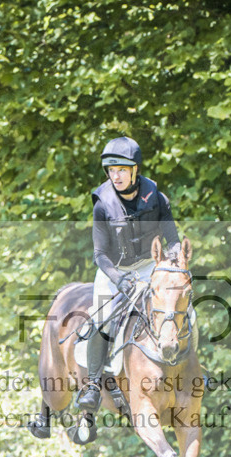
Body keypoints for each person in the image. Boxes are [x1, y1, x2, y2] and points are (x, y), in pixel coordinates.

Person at [75, 136, 181, 411]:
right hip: (113, 270)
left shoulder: (157, 198)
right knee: (102, 318)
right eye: (111, 171)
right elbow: (99, 254)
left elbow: (173, 238)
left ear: (135, 170)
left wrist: (175, 263)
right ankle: (93, 385)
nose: (116, 176)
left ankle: (191, 366)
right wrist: (118, 278)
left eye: (121, 170)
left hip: (148, 267)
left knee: (179, 307)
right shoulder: (103, 205)